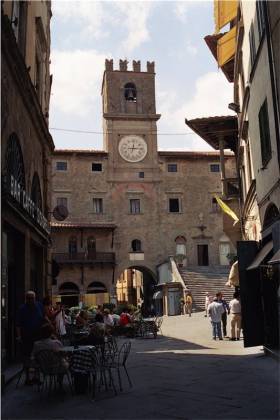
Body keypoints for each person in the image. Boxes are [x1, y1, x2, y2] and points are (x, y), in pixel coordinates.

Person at [16, 291, 44, 384]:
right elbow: (18, 324)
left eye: (32, 298)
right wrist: (19, 336)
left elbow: (43, 318)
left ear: (35, 298)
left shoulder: (39, 306)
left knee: (38, 355)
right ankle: (27, 378)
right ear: (25, 299)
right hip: (26, 336)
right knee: (27, 356)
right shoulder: (22, 309)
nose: (30, 300)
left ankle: (37, 376)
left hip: (38, 335)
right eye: (28, 298)